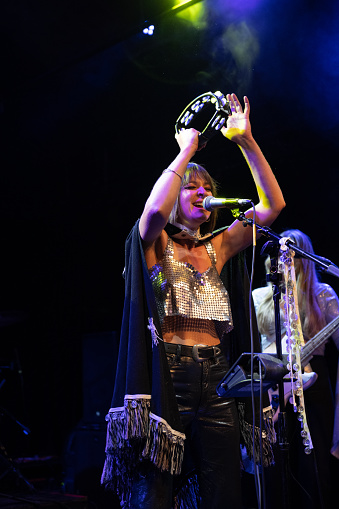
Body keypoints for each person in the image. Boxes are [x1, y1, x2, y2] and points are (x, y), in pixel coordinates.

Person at [101, 93, 285, 509]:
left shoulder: (217, 247)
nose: (202, 193)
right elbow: (152, 212)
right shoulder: (155, 241)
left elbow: (273, 207)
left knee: (223, 490)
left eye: (207, 188)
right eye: (192, 188)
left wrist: (246, 141)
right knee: (157, 491)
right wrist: (187, 150)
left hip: (218, 376)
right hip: (169, 373)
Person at [252, 229, 339, 509]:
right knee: (273, 460)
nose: (286, 258)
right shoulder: (258, 296)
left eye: (293, 253)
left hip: (314, 380)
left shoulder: (321, 294)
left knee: (312, 462)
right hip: (270, 383)